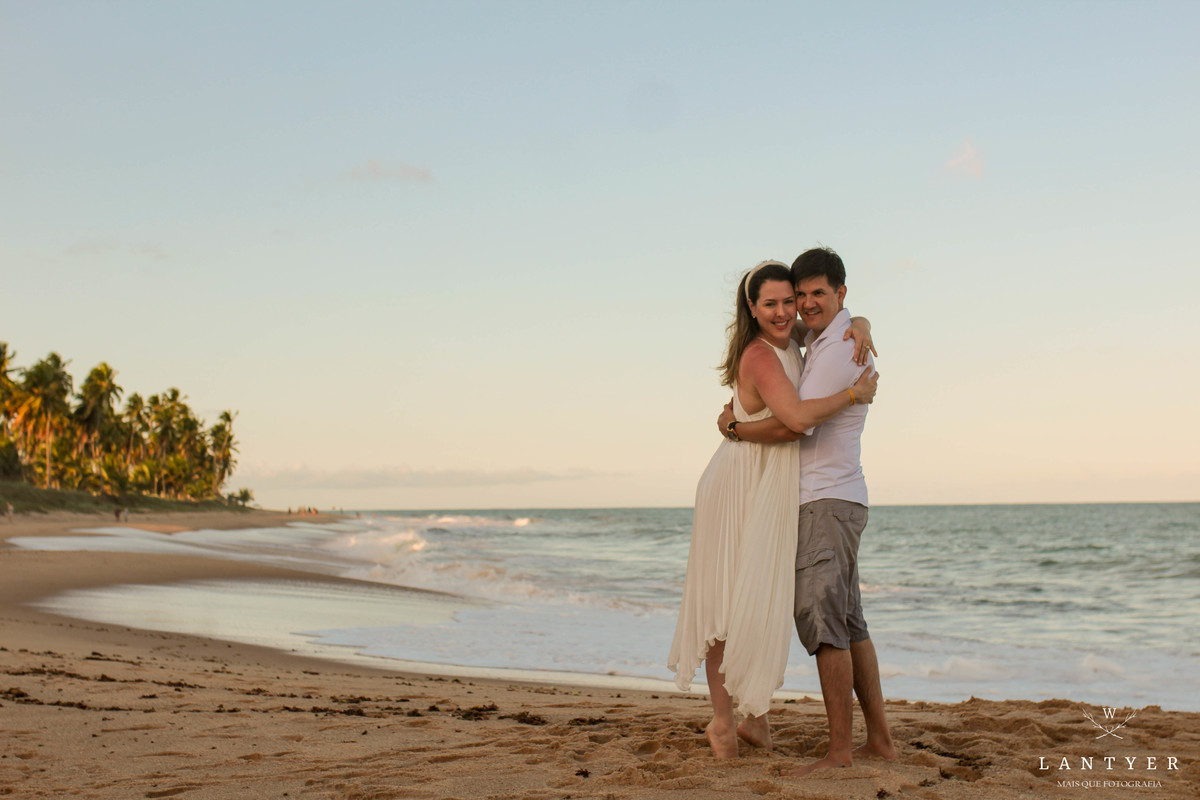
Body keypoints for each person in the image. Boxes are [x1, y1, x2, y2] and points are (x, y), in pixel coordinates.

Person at [669, 260, 878, 760]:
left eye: (790, 300)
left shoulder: (795, 339)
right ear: (752, 308)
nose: (786, 311)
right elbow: (796, 422)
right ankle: (723, 722)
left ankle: (755, 720)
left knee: (753, 594)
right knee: (725, 601)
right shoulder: (762, 355)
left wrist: (861, 323)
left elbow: (829, 319)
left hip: (767, 484)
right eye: (772, 304)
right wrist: (854, 393)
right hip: (739, 483)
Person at [720, 247, 895, 776]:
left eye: (820, 293)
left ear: (841, 293)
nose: (806, 304)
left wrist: (735, 428)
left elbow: (796, 422)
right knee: (848, 623)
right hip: (836, 498)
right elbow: (786, 334)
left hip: (825, 500)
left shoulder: (839, 348)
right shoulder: (823, 337)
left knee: (822, 624)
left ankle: (840, 752)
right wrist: (860, 319)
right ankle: (880, 743)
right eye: (802, 295)